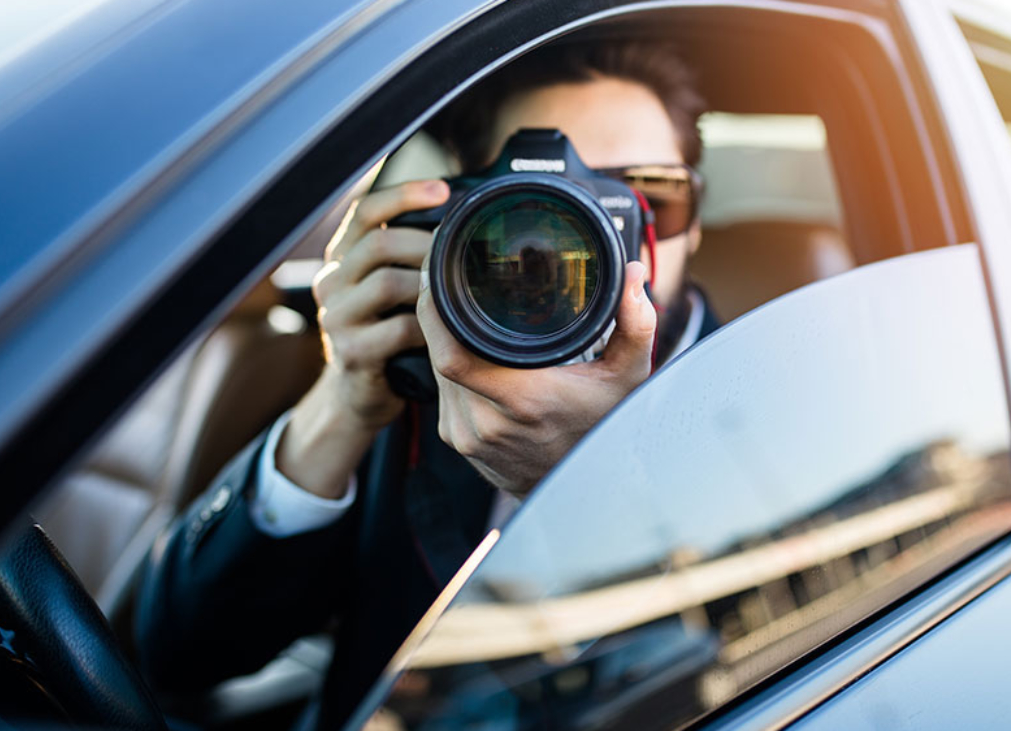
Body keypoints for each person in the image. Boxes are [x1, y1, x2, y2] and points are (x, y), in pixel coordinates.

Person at [134, 39, 718, 728]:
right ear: (459, 216)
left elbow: (739, 669)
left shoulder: (785, 387)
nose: (577, 238)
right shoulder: (417, 381)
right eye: (538, 207)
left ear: (694, 222)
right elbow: (175, 657)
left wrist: (589, 495)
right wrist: (343, 400)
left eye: (642, 196)